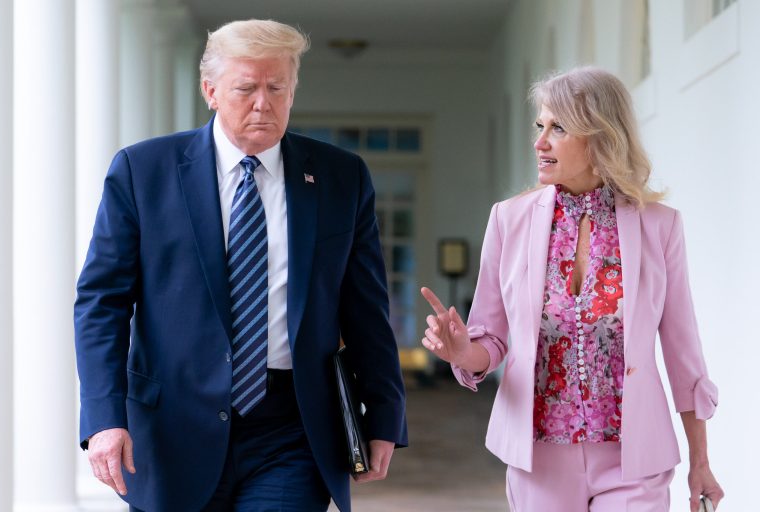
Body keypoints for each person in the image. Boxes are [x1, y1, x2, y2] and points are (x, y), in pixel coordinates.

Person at [74, 19, 407, 512]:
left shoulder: (341, 177)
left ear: (293, 89)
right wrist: (104, 418)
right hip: (172, 427)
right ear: (210, 90)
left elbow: (366, 309)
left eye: (277, 87)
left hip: (291, 429)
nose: (263, 103)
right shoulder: (143, 171)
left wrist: (383, 414)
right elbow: (102, 303)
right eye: (246, 88)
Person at [420, 67, 723, 511]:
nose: (539, 142)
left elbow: (683, 353)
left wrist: (701, 461)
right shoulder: (508, 219)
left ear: (600, 137)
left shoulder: (660, 226)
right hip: (538, 460)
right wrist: (462, 352)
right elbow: (493, 338)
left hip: (634, 459)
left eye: (557, 128)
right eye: (539, 126)